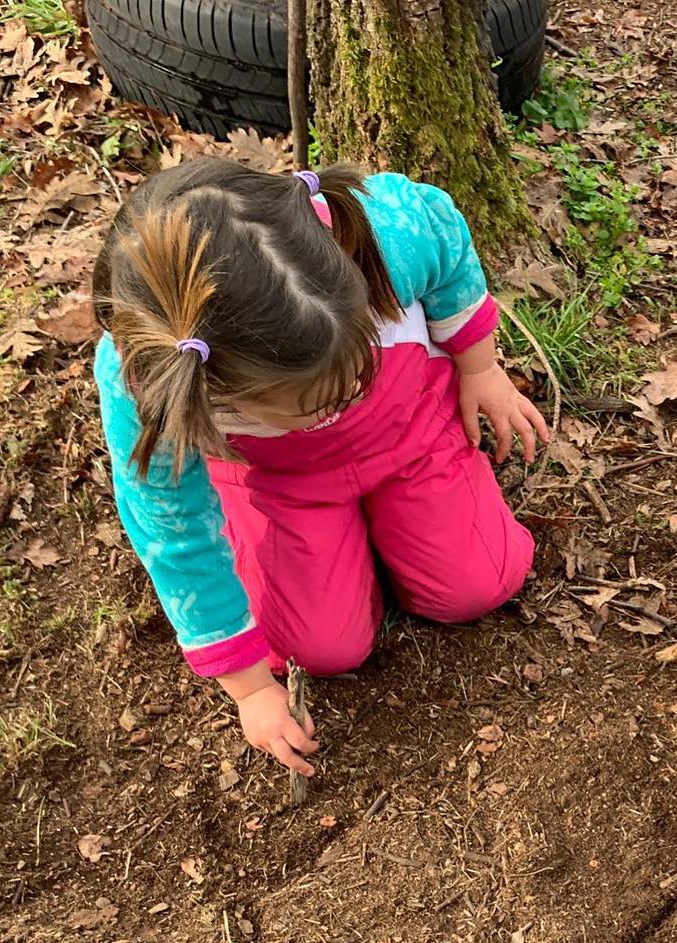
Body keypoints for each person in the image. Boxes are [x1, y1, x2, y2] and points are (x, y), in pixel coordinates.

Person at [94, 160, 548, 777]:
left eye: (348, 377)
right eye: (313, 403)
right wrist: (251, 690)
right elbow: (172, 533)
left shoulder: (381, 231)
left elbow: (446, 241)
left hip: (407, 427)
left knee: (483, 582)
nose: (338, 405)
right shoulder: (148, 383)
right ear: (221, 396)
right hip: (283, 483)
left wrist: (479, 367)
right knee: (321, 649)